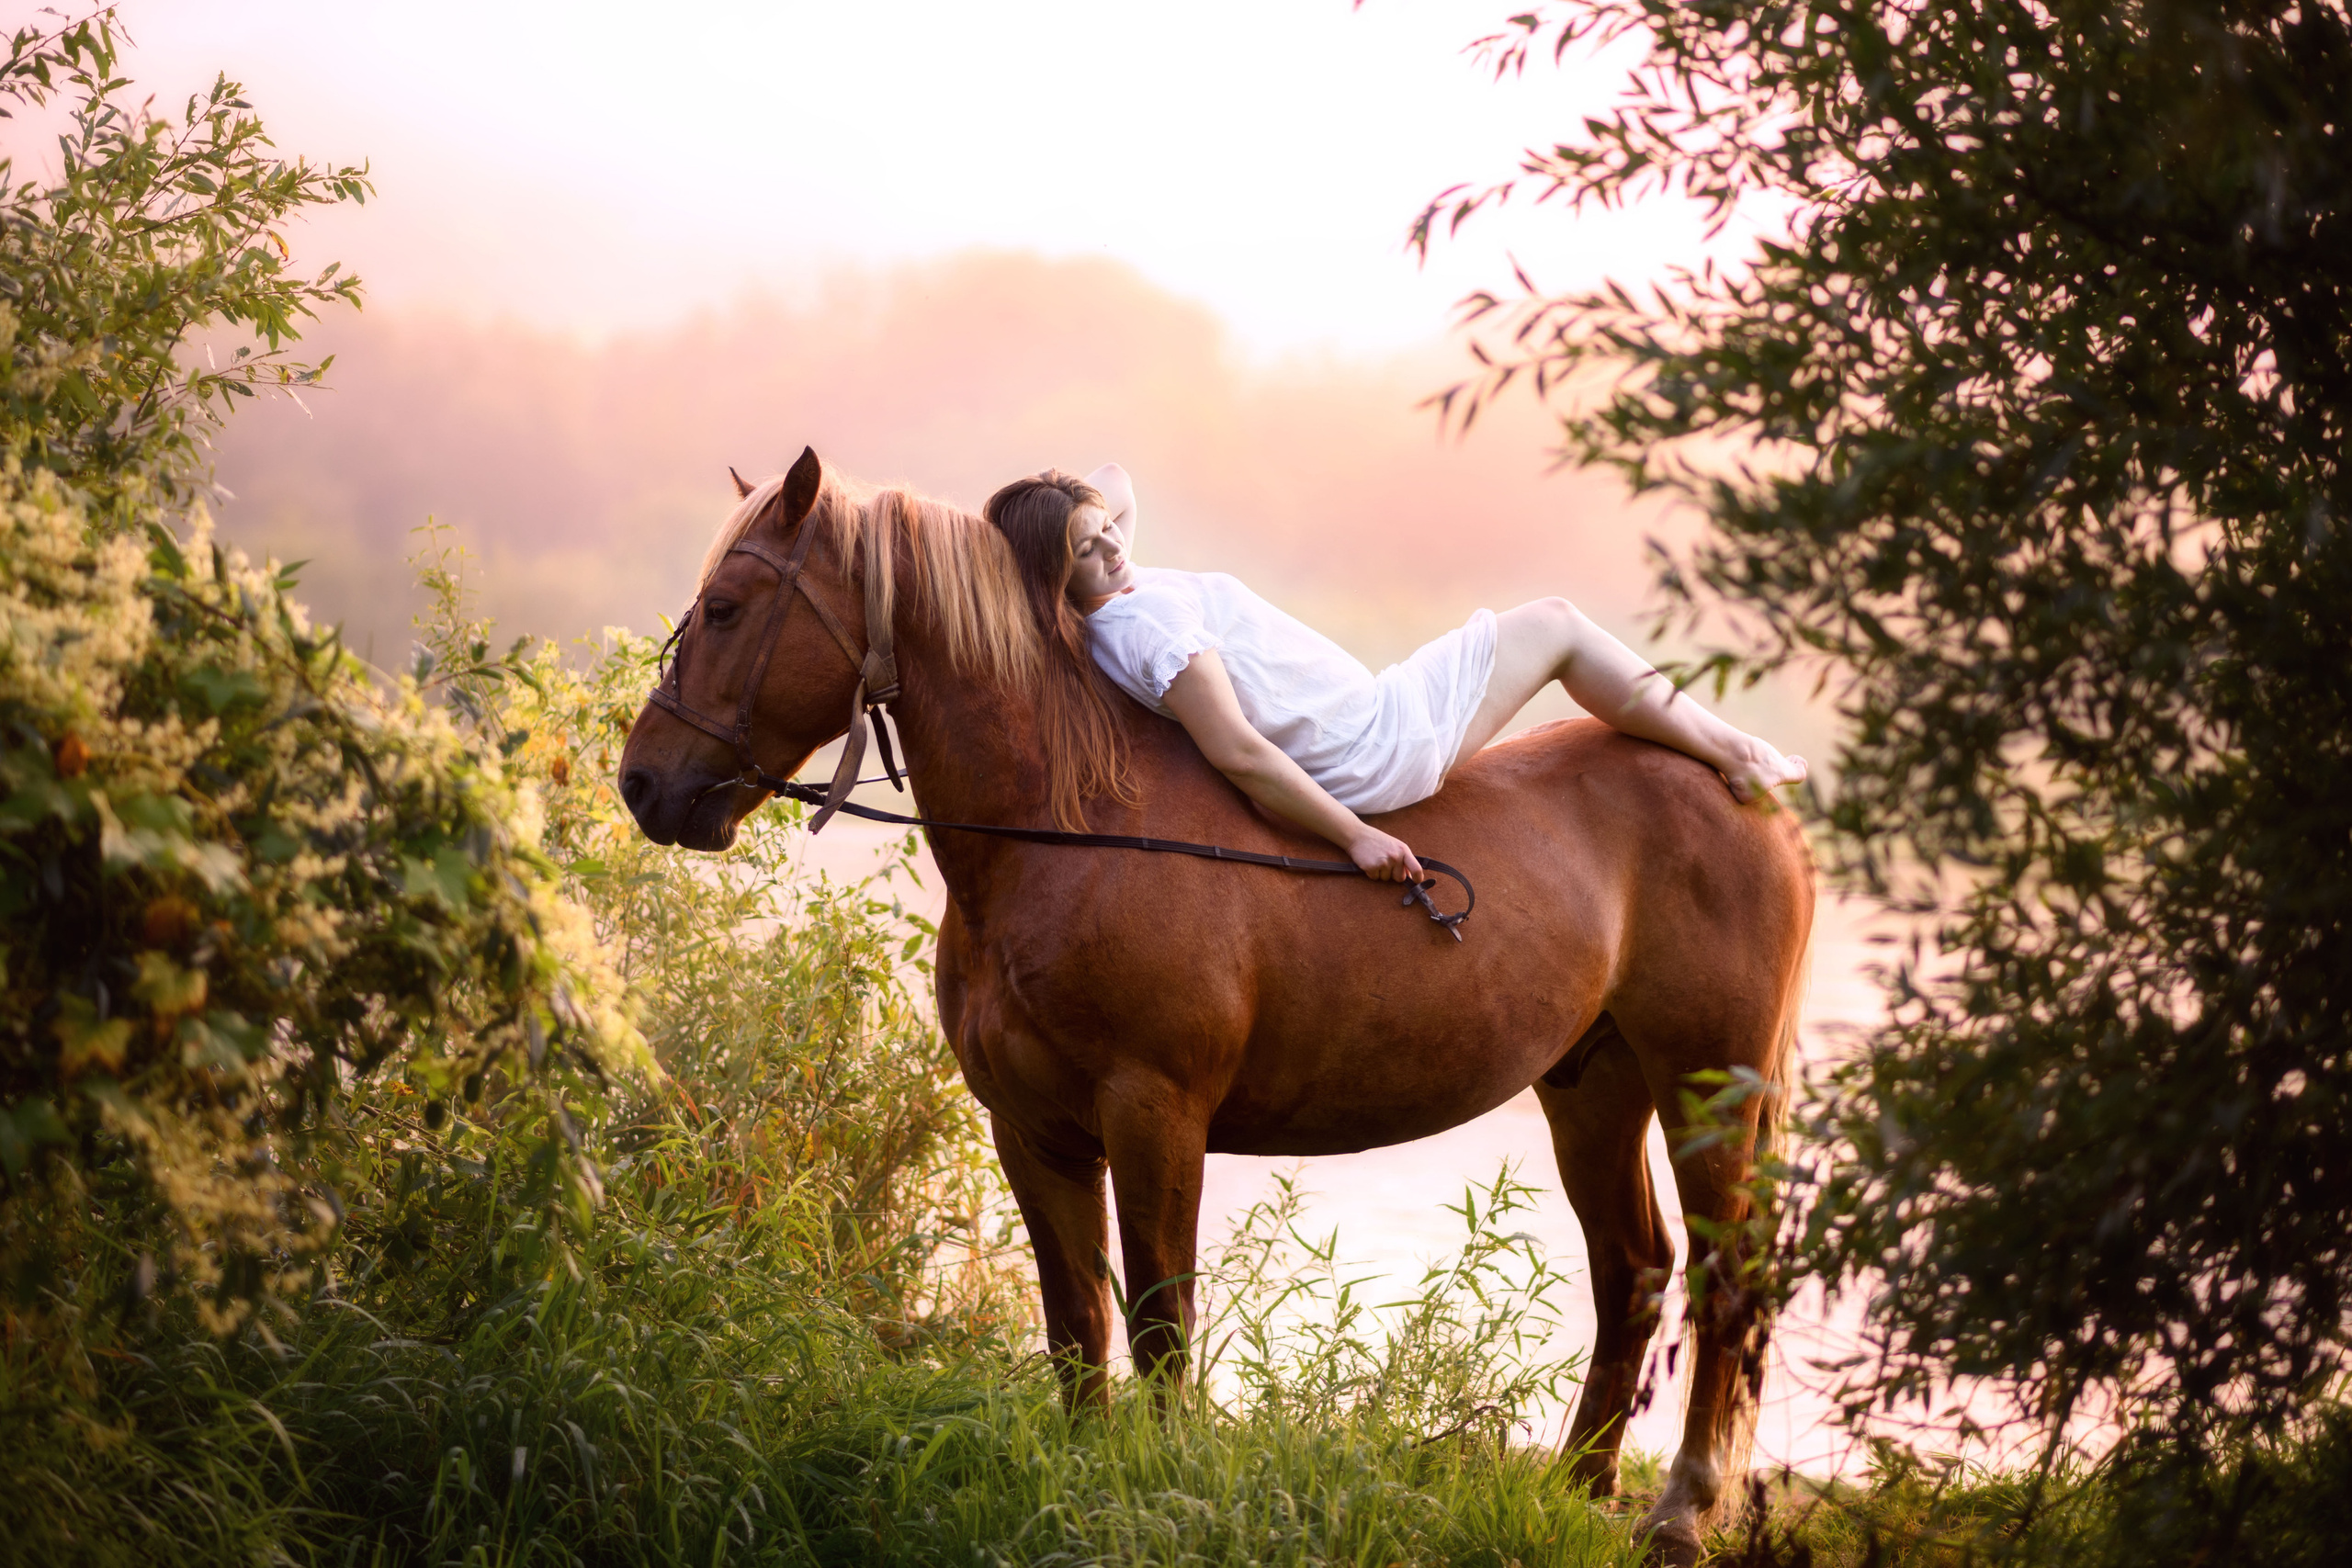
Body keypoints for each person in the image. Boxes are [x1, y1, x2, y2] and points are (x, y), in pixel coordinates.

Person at [980, 465, 1807, 885]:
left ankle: (1733, 748)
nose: (1114, 544)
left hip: (1367, 709)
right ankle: (1738, 754)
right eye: (1087, 548)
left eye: (1106, 530)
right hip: (1371, 743)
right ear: (1056, 575)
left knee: (1550, 621)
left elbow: (1116, 482)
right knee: (1555, 623)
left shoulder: (1111, 595)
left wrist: (1061, 513)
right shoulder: (1149, 627)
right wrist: (1356, 834)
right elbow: (1237, 751)